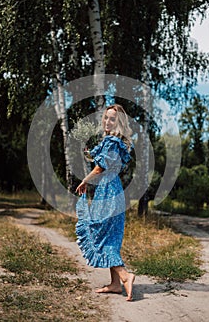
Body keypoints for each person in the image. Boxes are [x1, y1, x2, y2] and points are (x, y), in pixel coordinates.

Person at [75, 104, 135, 301]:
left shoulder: (111, 141)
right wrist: (88, 154)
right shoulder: (116, 142)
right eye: (106, 118)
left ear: (118, 123)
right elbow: (102, 160)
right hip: (114, 189)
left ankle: (125, 276)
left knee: (99, 231)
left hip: (108, 190)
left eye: (112, 119)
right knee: (110, 235)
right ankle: (116, 284)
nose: (107, 122)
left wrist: (85, 180)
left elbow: (100, 168)